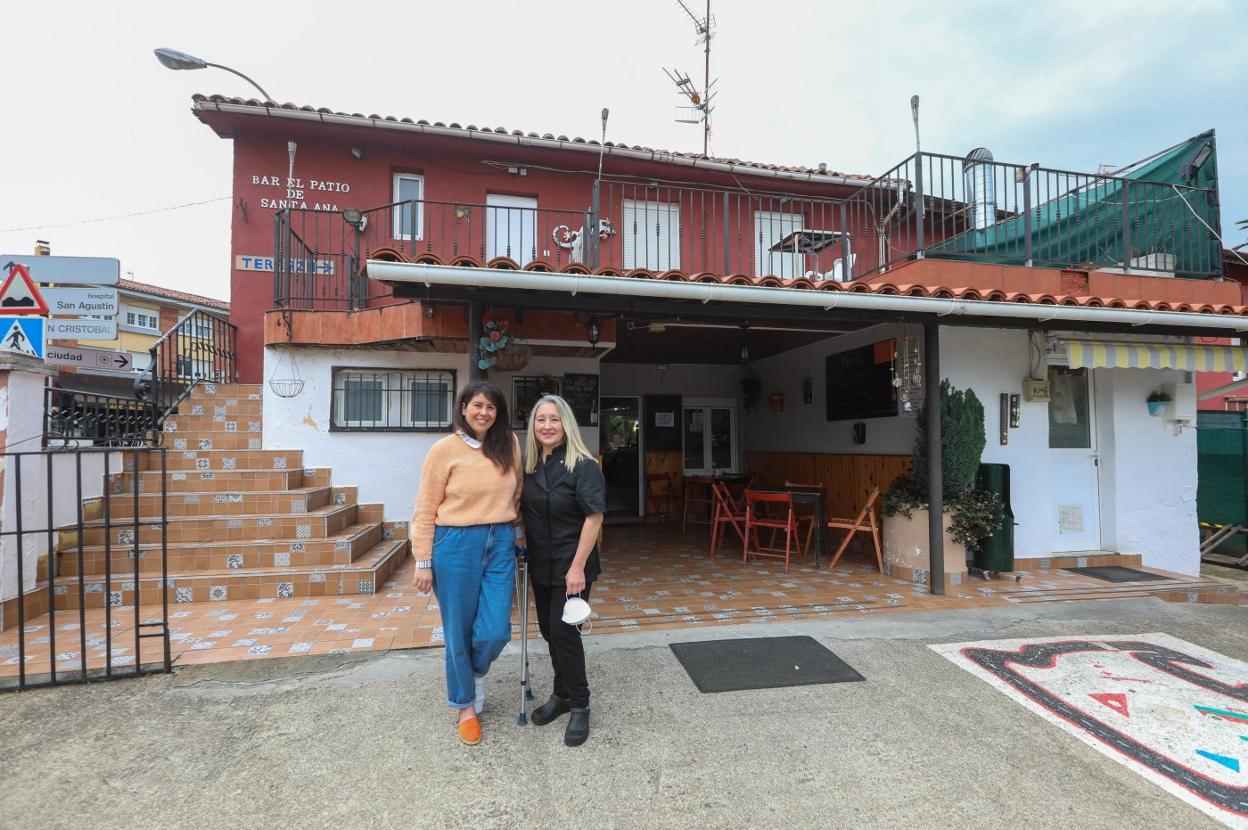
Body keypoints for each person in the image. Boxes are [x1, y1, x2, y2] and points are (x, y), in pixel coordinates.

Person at [411, 380, 523, 746]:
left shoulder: (510, 444)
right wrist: (423, 560)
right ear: (463, 408)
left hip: (501, 539)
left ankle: (471, 674)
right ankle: (465, 705)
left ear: (498, 412)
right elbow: (425, 508)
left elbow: (517, 492)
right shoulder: (444, 450)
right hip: (454, 543)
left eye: (490, 407)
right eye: (476, 405)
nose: (483, 412)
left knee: (495, 630)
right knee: (457, 627)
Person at [520, 394, 606, 747]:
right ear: (533, 426)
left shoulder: (583, 465)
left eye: (554, 419)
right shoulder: (530, 466)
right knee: (548, 632)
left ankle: (581, 704)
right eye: (541, 419)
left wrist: (577, 567)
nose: (547, 426)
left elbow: (594, 516)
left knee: (564, 633)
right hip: (541, 563)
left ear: (565, 423)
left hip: (574, 567)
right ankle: (562, 693)